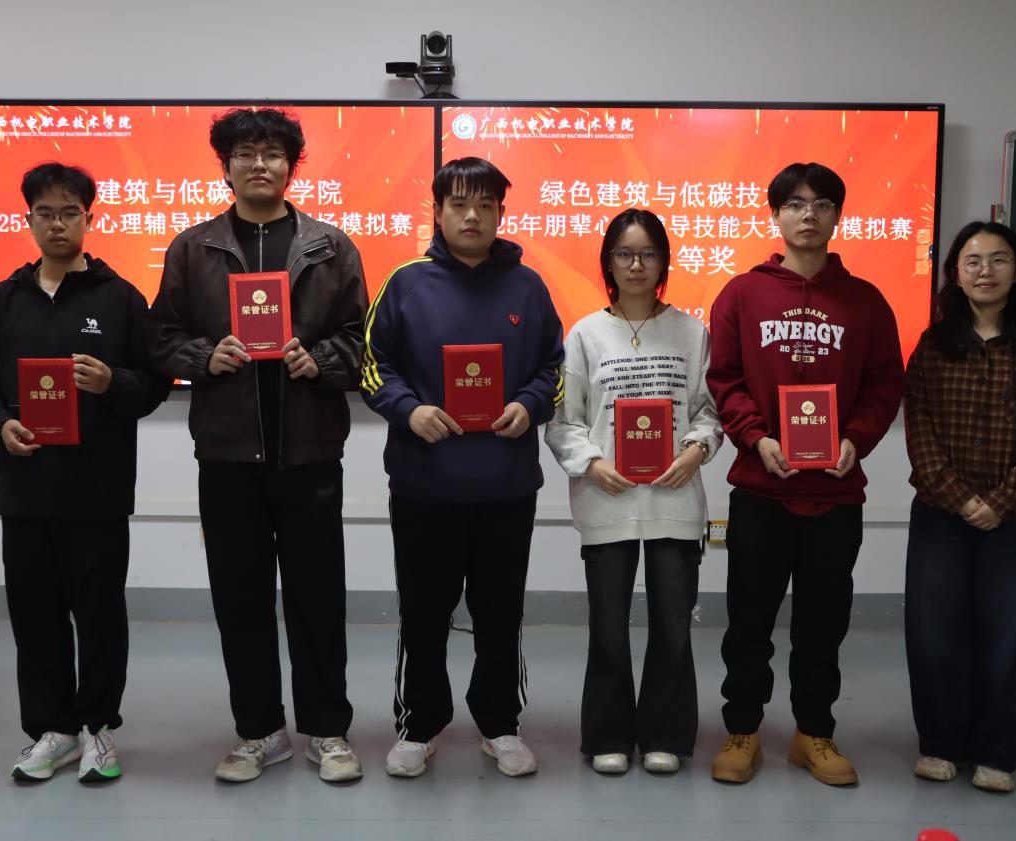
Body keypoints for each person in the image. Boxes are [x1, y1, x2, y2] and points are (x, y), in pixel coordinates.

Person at [144, 108, 369, 784]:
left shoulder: (330, 247)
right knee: (239, 600)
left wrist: (318, 360)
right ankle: (259, 731)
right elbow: (160, 337)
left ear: (291, 166)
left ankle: (326, 729)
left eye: (272, 153)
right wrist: (203, 356)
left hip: (310, 454)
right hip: (227, 455)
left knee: (317, 599)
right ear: (226, 166)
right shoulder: (194, 248)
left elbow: (360, 340)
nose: (259, 164)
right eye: (245, 153)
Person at [0, 162, 171, 783]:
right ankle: (53, 731)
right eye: (45, 213)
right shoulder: (2, 301)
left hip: (98, 490)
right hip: (26, 489)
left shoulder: (120, 298)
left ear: (88, 219)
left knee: (99, 615)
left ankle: (99, 728)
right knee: (35, 616)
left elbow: (154, 383)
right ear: (28, 221)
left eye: (69, 212)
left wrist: (112, 381)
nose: (57, 224)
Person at [360, 156, 564, 778]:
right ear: (438, 210)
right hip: (425, 484)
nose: (472, 216)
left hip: (506, 486)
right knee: (423, 612)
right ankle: (419, 725)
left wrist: (529, 406)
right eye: (458, 204)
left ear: (501, 212)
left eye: (485, 205)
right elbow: (372, 366)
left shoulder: (528, 286)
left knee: (501, 612)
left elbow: (554, 370)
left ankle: (500, 723)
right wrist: (410, 410)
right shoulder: (406, 283)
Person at [705, 162, 905, 786]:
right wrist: (757, 438)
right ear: (776, 215)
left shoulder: (866, 301)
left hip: (836, 493)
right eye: (794, 203)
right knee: (749, 622)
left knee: (823, 623)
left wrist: (856, 439)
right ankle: (742, 729)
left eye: (821, 203)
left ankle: (813, 733)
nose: (808, 214)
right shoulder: (742, 294)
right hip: (760, 489)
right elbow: (725, 379)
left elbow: (884, 384)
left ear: (837, 215)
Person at [545, 208, 722, 775]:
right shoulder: (585, 334)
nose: (636, 264)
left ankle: (665, 734)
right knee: (608, 628)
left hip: (675, 497)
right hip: (607, 498)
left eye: (648, 253)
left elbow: (710, 410)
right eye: (624, 253)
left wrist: (695, 450)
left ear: (664, 262)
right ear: (608, 263)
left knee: (673, 625)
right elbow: (564, 422)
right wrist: (592, 464)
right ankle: (608, 736)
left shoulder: (692, 332)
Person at [904, 221, 1016, 793]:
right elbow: (919, 430)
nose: (985, 271)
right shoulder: (933, 345)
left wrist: (998, 503)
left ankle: (999, 751)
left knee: (1013, 636)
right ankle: (940, 744)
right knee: (934, 634)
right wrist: (960, 499)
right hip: (940, 516)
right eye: (972, 261)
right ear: (955, 273)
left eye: (998, 259)